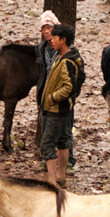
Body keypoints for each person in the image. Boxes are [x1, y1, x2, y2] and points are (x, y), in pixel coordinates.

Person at [37, 23, 83, 187]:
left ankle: (51, 181)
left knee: (47, 144)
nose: (51, 40)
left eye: (54, 38)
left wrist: (53, 98)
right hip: (64, 108)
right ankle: (61, 177)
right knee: (63, 140)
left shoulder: (66, 61)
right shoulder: (64, 57)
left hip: (56, 109)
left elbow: (69, 87)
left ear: (63, 40)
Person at [35, 11, 76, 173]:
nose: (46, 31)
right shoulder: (41, 48)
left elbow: (75, 77)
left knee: (65, 130)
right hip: (46, 95)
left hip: (63, 97)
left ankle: (68, 163)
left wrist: (68, 95)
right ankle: (48, 161)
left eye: (49, 27)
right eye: (43, 28)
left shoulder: (67, 50)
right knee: (47, 130)